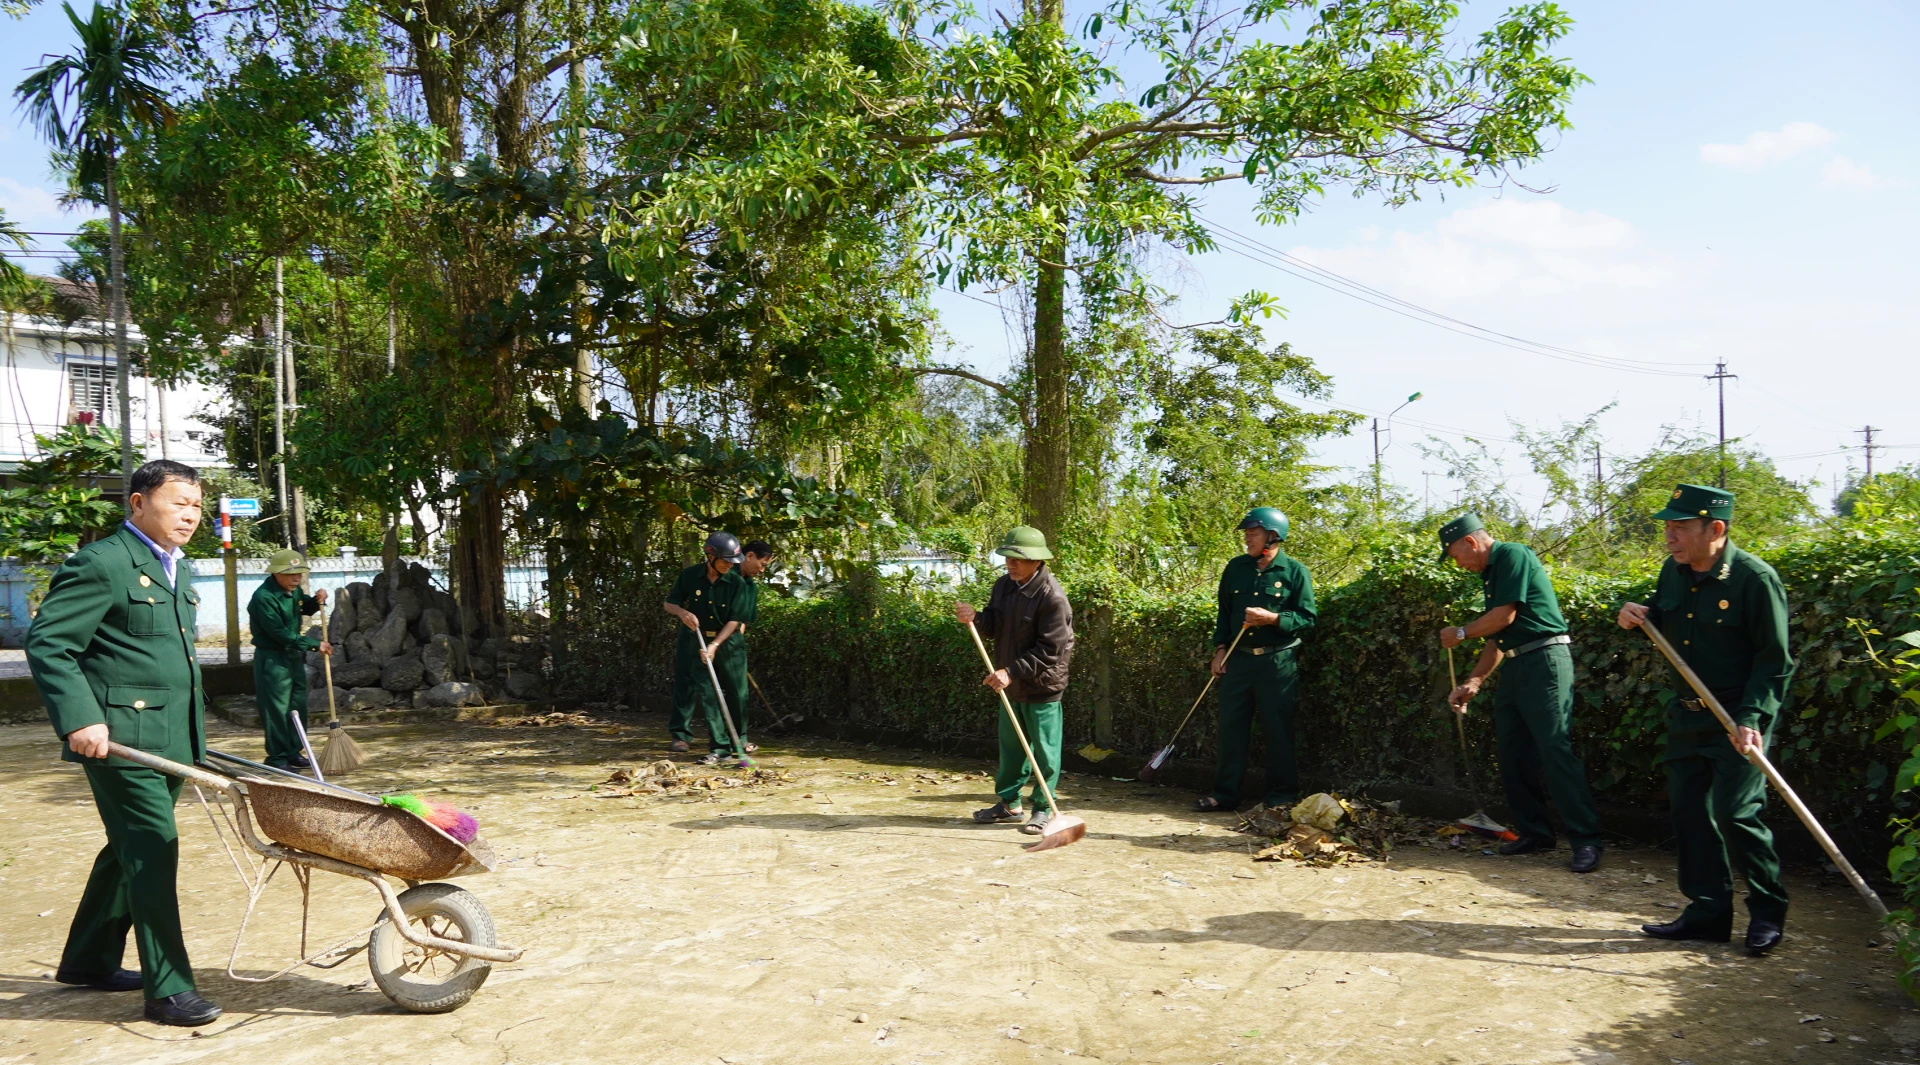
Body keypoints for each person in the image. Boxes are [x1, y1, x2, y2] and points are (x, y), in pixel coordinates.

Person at [26, 459, 222, 1026]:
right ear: (138, 503)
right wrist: (80, 719)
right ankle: (169, 990)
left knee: (127, 849)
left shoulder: (177, 568)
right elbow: (50, 643)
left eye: (196, 505)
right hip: (118, 741)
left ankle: (88, 961)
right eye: (178, 502)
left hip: (171, 740)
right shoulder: (103, 563)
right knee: (154, 849)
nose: (191, 515)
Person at [1618, 484, 1792, 955]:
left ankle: (1767, 912)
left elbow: (1774, 661)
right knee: (1690, 812)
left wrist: (1752, 717)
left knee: (1736, 814)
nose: (1669, 537)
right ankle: (1708, 912)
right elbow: (1668, 624)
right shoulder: (1672, 573)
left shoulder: (1755, 580)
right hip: (1688, 716)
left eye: (1680, 527)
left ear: (1715, 529)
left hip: (1737, 718)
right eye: (1667, 527)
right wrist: (1636, 615)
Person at [1438, 513, 1603, 874]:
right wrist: (1474, 682)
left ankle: (1586, 840)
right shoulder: (1490, 574)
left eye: (1455, 555)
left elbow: (1503, 618)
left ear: (1471, 542)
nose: (1457, 564)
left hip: (1545, 660)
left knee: (1554, 749)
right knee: (1513, 753)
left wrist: (1461, 633)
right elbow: (1498, 636)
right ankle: (1536, 834)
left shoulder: (1512, 554)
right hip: (1517, 664)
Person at [1196, 507, 1316, 813]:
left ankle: (1281, 796)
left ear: (1273, 536)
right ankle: (1224, 794)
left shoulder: (1295, 571)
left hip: (1277, 663)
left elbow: (1307, 618)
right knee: (1231, 728)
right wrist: (1220, 650)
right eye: (1247, 533)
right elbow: (1224, 613)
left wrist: (1272, 619)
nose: (1247, 538)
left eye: (1254, 533)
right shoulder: (1235, 568)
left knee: (1278, 730)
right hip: (1238, 661)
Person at [956, 526, 1073, 835]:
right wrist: (976, 618)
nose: (1011, 564)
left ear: (1037, 561)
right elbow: (995, 624)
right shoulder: (1004, 586)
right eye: (1008, 557)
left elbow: (1051, 650)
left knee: (1045, 753)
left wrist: (1010, 671)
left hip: (1042, 686)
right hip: (1011, 685)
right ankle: (1010, 804)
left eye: (1018, 559)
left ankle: (1043, 808)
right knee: (1011, 749)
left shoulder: (1053, 597)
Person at [663, 532, 753, 763]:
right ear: (710, 556)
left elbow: (735, 620)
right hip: (697, 641)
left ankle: (738, 740)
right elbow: (669, 603)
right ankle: (720, 748)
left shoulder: (737, 583)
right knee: (709, 694)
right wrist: (682, 613)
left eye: (732, 562)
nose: (729, 566)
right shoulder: (690, 576)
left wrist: (714, 645)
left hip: (728, 643)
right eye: (725, 561)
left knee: (738, 693)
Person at [248, 549, 330, 769]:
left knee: (297, 704)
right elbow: (279, 633)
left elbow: (305, 607)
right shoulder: (264, 597)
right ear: (276, 573)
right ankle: (278, 757)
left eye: (299, 573)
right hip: (272, 658)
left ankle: (294, 751)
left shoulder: (293, 591)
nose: (296, 578)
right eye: (291, 574)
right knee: (277, 708)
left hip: (292, 656)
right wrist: (314, 644)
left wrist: (317, 601)